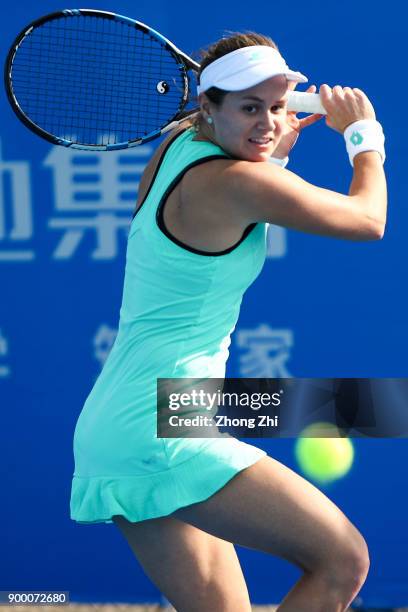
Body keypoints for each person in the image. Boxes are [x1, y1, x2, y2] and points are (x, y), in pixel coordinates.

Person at [70, 32, 387, 612]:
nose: (267, 122)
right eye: (248, 107)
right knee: (343, 560)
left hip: (123, 424)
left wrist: (273, 145)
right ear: (208, 106)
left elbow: (230, 199)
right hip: (165, 424)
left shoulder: (177, 147)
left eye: (275, 105)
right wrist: (365, 137)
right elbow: (368, 221)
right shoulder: (241, 182)